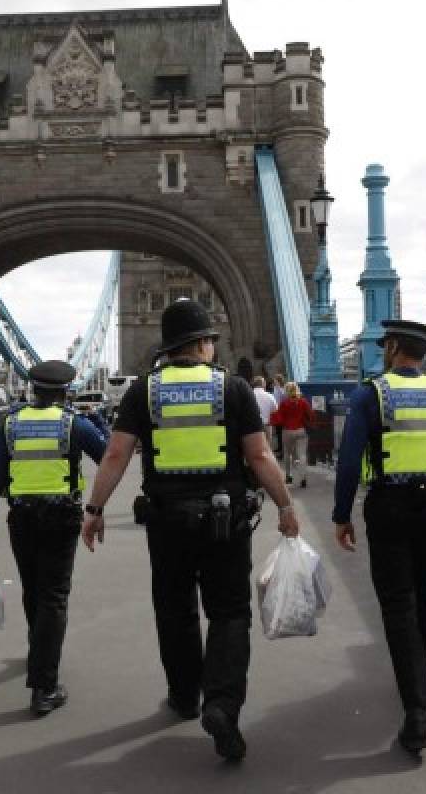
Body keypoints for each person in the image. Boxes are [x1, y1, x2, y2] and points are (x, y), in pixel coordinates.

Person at [80, 299, 300, 762]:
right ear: (202, 344)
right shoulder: (233, 389)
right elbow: (260, 457)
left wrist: (95, 508)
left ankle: (185, 696)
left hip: (167, 522)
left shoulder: (144, 391)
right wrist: (284, 504)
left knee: (175, 610)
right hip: (226, 521)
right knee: (229, 613)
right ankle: (222, 704)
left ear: (169, 347)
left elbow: (116, 455)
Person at [332, 319, 426, 758]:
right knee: (421, 596)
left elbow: (347, 462)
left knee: (397, 601)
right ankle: (418, 677)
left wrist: (341, 515)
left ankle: (416, 707)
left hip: (388, 506)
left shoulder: (370, 394)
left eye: (385, 345)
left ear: (394, 346)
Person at [0, 360, 109, 716]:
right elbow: (106, 455)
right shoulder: (72, 424)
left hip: (22, 518)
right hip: (61, 517)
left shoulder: (10, 424)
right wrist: (95, 419)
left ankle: (39, 650)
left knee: (33, 590)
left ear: (33, 389)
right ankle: (44, 686)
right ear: (65, 390)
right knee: (54, 597)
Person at [271, 381, 313, 488]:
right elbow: (311, 415)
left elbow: (279, 417)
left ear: (286, 391)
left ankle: (288, 476)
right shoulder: (303, 402)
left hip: (287, 431)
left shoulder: (284, 403)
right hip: (301, 430)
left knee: (287, 454)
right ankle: (303, 478)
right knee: (302, 455)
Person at [251, 376, 278, 450]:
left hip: (253, 425)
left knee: (255, 448)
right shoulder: (269, 396)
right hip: (267, 424)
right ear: (263, 384)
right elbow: (275, 410)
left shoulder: (249, 395)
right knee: (267, 448)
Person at [271, 373, 287, 457]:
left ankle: (282, 451)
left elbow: (283, 398)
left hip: (281, 412)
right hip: (277, 411)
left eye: (275, 380)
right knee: (278, 431)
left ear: (279, 381)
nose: (274, 381)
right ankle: (280, 447)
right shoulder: (275, 389)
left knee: (281, 432)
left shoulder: (282, 389)